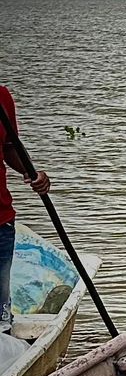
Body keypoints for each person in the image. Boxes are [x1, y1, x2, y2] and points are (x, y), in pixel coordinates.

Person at [1, 85, 52, 336]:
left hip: (0, 220)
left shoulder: (1, 97)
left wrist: (31, 172)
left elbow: (9, 146)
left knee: (0, 315)